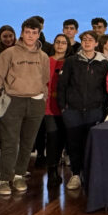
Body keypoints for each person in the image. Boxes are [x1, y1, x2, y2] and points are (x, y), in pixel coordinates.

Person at [0, 17, 50, 195]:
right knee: (9, 142)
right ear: (22, 33)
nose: (30, 36)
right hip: (13, 101)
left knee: (28, 143)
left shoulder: (43, 56)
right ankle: (5, 179)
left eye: (34, 33)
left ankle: (19, 175)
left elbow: (45, 80)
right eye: (27, 32)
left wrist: (42, 97)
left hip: (35, 102)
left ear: (39, 34)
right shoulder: (9, 53)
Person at [57, 30, 108, 190]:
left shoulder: (104, 63)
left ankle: (88, 175)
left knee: (90, 144)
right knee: (74, 144)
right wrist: (64, 108)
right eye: (84, 39)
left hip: (95, 110)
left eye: (90, 40)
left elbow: (106, 87)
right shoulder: (71, 61)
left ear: (96, 43)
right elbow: (62, 85)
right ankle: (75, 174)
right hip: (73, 110)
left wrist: (103, 109)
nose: (87, 42)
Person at [42, 33, 69, 187]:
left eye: (63, 42)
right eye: (57, 42)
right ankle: (51, 170)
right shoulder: (46, 60)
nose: (60, 45)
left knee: (61, 139)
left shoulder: (70, 62)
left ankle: (57, 167)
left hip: (64, 106)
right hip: (48, 105)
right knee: (52, 138)